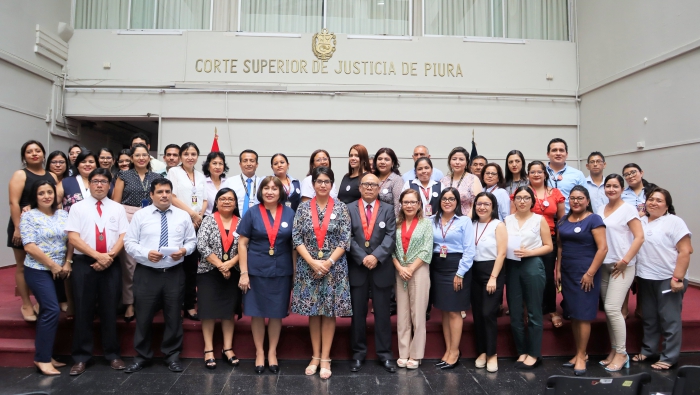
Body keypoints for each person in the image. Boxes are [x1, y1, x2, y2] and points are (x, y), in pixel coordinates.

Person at [123, 178, 197, 374]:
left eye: (167, 192)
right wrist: (146, 254)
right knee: (144, 316)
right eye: (160, 192)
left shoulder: (182, 216)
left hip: (173, 273)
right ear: (151, 195)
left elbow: (192, 242)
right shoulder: (140, 216)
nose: (164, 195)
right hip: (147, 273)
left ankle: (172, 356)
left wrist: (183, 251)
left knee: (174, 317)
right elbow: (129, 243)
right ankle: (142, 356)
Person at [65, 168, 128, 376]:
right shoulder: (77, 208)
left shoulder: (117, 208)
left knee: (110, 309)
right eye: (95, 181)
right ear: (89, 184)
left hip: (111, 263)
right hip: (84, 264)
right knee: (83, 310)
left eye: (103, 181)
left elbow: (123, 236)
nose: (99, 185)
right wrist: (96, 256)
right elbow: (73, 238)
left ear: (110, 185)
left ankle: (113, 354)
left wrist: (108, 257)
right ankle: (81, 357)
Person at [291, 166, 352, 380]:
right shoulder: (303, 208)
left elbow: (345, 239)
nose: (323, 185)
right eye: (319, 181)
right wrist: (312, 262)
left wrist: (327, 262)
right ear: (313, 184)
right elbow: (296, 237)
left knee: (329, 312)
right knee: (313, 312)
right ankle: (315, 356)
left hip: (333, 267)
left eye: (327, 181)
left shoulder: (342, 208)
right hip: (309, 267)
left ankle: (326, 357)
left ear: (332, 184)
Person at [238, 176, 296, 374]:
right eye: (266, 188)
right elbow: (242, 244)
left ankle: (272, 352)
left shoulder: (289, 213)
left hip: (281, 271)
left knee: (276, 313)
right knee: (257, 313)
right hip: (256, 271)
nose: (270, 191)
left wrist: (295, 273)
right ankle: (259, 352)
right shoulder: (252, 213)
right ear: (260, 191)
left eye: (274, 188)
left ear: (281, 192)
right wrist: (244, 272)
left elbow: (294, 246)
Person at [633, 187, 693, 370]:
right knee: (649, 317)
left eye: (659, 200)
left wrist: (678, 278)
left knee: (669, 319)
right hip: (645, 277)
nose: (654, 203)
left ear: (667, 205)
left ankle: (669, 357)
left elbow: (686, 251)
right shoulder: (640, 222)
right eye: (651, 199)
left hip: (668, 278)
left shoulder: (674, 222)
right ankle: (649, 350)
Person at [347, 173, 398, 374]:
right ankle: (358, 354)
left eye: (373, 185)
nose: (369, 188)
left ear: (379, 188)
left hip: (381, 267)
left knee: (383, 314)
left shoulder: (388, 209)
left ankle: (385, 354)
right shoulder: (349, 208)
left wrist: (376, 256)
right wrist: (362, 257)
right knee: (358, 315)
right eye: (366, 184)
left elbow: (390, 236)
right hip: (358, 267)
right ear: (360, 187)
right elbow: (347, 236)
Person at [20, 180, 71, 375]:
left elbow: (71, 240)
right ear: (35, 196)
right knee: (50, 309)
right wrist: (53, 265)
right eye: (41, 193)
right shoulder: (29, 216)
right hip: (38, 269)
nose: (47, 196)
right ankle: (41, 359)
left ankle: (47, 354)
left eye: (50, 192)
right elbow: (29, 246)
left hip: (59, 270)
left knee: (51, 310)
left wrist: (67, 262)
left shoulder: (63, 215)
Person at [556, 186, 607, 376]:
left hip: (586, 273)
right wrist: (558, 270)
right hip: (568, 272)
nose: (576, 201)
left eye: (580, 198)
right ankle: (580, 353)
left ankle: (581, 355)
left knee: (584, 314)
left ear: (587, 200)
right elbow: (560, 247)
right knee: (574, 314)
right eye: (572, 198)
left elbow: (602, 249)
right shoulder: (563, 220)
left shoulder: (594, 219)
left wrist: (590, 273)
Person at [111, 143, 164, 322]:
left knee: (151, 260)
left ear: (149, 158)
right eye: (137, 155)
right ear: (132, 158)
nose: (141, 158)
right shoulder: (123, 175)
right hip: (127, 216)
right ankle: (129, 303)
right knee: (130, 264)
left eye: (144, 155)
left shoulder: (156, 176)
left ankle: (149, 302)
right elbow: (115, 203)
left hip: (151, 217)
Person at [597, 174, 644, 372]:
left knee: (612, 308)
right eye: (608, 186)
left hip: (622, 266)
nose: (611, 189)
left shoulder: (628, 209)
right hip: (604, 265)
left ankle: (623, 352)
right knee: (609, 312)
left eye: (615, 186)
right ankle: (614, 349)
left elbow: (639, 237)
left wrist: (625, 261)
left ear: (622, 188)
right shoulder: (601, 209)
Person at [505, 186, 553, 369]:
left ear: (532, 201)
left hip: (532, 264)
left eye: (526, 198)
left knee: (534, 310)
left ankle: (534, 353)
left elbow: (549, 246)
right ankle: (521, 351)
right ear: (514, 200)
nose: (522, 201)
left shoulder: (539, 220)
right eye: (519, 198)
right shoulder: (507, 220)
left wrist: (530, 252)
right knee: (515, 311)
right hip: (512, 266)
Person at [8, 140, 57, 321]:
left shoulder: (51, 174)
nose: (34, 154)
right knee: (22, 266)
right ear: (24, 156)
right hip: (23, 225)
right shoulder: (20, 174)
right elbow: (14, 202)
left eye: (38, 150)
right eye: (29, 151)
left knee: (43, 264)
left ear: (44, 154)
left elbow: (55, 199)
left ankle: (40, 301)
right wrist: (17, 228)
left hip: (46, 227)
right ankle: (26, 303)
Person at [196, 188, 242, 370]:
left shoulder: (241, 222)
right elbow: (201, 245)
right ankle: (208, 349)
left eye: (231, 199)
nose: (227, 202)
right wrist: (220, 265)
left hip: (233, 272)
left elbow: (246, 246)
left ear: (236, 203)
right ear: (216, 202)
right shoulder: (208, 221)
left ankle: (228, 348)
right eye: (222, 199)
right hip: (209, 271)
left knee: (228, 311)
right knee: (207, 311)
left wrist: (229, 264)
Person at [430, 187, 475, 370]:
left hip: (457, 267)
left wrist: (460, 273)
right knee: (444, 310)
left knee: (455, 311)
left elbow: (470, 250)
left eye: (451, 199)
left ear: (457, 202)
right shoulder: (432, 221)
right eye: (444, 198)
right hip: (438, 267)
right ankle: (448, 350)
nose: (447, 201)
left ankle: (455, 352)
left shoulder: (464, 221)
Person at [393, 189, 433, 370]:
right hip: (400, 270)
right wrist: (400, 268)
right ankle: (403, 352)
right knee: (402, 314)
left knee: (417, 313)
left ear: (419, 205)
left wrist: (410, 268)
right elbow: (391, 249)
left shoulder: (425, 224)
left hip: (419, 270)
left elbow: (426, 249)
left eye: (413, 202)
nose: (409, 205)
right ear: (401, 204)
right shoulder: (396, 223)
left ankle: (416, 354)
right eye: (406, 202)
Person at [167, 142, 206, 321]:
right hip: (180, 222)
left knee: (193, 267)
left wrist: (199, 216)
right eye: (186, 154)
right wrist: (191, 214)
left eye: (193, 153)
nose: (190, 157)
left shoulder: (200, 175)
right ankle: (176, 304)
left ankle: (190, 304)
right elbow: (172, 197)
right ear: (181, 156)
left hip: (198, 223)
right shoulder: (174, 172)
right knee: (180, 265)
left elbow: (204, 199)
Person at [470, 192, 507, 373]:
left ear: (493, 207)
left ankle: (492, 354)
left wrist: (493, 277)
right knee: (477, 314)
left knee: (488, 313)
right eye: (479, 204)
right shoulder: (472, 224)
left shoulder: (498, 225)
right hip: (474, 273)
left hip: (492, 272)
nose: (482, 207)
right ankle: (482, 351)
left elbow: (501, 253)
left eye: (486, 204)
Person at [526, 160, 565, 328]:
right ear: (528, 175)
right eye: (532, 171)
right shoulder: (523, 192)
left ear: (545, 174)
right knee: (529, 275)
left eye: (539, 171)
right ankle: (529, 308)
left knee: (548, 275)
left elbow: (562, 220)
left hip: (549, 239)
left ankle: (551, 309)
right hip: (528, 240)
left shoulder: (555, 193)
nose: (536, 174)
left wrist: (560, 241)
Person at [545, 138, 586, 212]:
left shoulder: (577, 174)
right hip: (545, 219)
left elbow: (585, 199)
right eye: (554, 150)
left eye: (561, 150)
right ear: (548, 154)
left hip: (571, 219)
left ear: (566, 154)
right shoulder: (539, 173)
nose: (558, 153)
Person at [440, 147, 482, 218]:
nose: (457, 162)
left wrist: (465, 221)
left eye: (461, 159)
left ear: (466, 163)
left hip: (466, 219)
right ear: (450, 162)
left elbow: (476, 203)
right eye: (454, 159)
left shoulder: (473, 179)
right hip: (446, 220)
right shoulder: (443, 180)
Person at [223, 149, 262, 217]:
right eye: (245, 161)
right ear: (240, 164)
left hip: (257, 221)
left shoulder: (262, 183)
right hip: (234, 221)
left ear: (257, 164)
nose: (248, 164)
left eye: (252, 161)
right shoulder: (230, 182)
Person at [373, 148, 404, 216]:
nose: (382, 162)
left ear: (392, 163)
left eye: (386, 159)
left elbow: (398, 205)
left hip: (389, 220)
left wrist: (395, 223)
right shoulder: (372, 178)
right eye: (380, 159)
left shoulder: (396, 180)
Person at [203, 151, 229, 216]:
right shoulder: (202, 182)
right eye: (214, 163)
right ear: (208, 166)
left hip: (226, 218)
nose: (218, 167)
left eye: (220, 164)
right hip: (207, 218)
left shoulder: (228, 182)